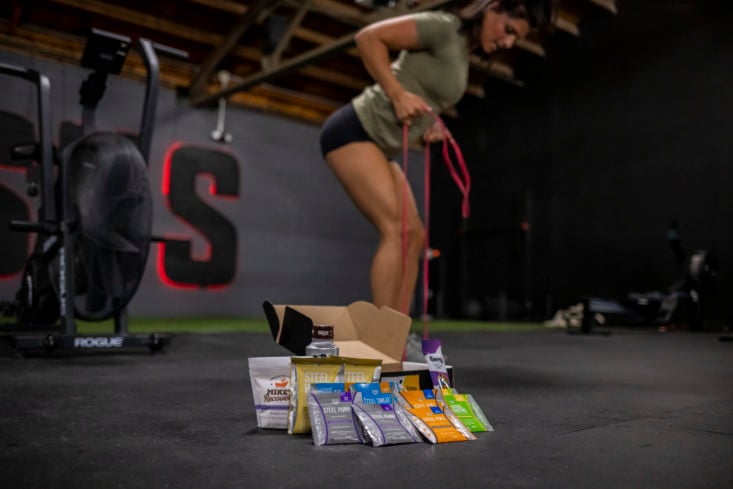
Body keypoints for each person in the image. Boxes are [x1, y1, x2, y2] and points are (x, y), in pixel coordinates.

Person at [319, 0, 551, 315]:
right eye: (508, 30)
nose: (507, 42)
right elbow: (368, 38)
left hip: (379, 145)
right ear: (492, 8)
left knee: (415, 236)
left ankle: (397, 334)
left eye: (515, 38)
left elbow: (421, 88)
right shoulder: (443, 26)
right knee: (398, 231)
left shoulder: (461, 52)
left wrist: (430, 123)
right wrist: (397, 95)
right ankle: (380, 339)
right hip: (354, 131)